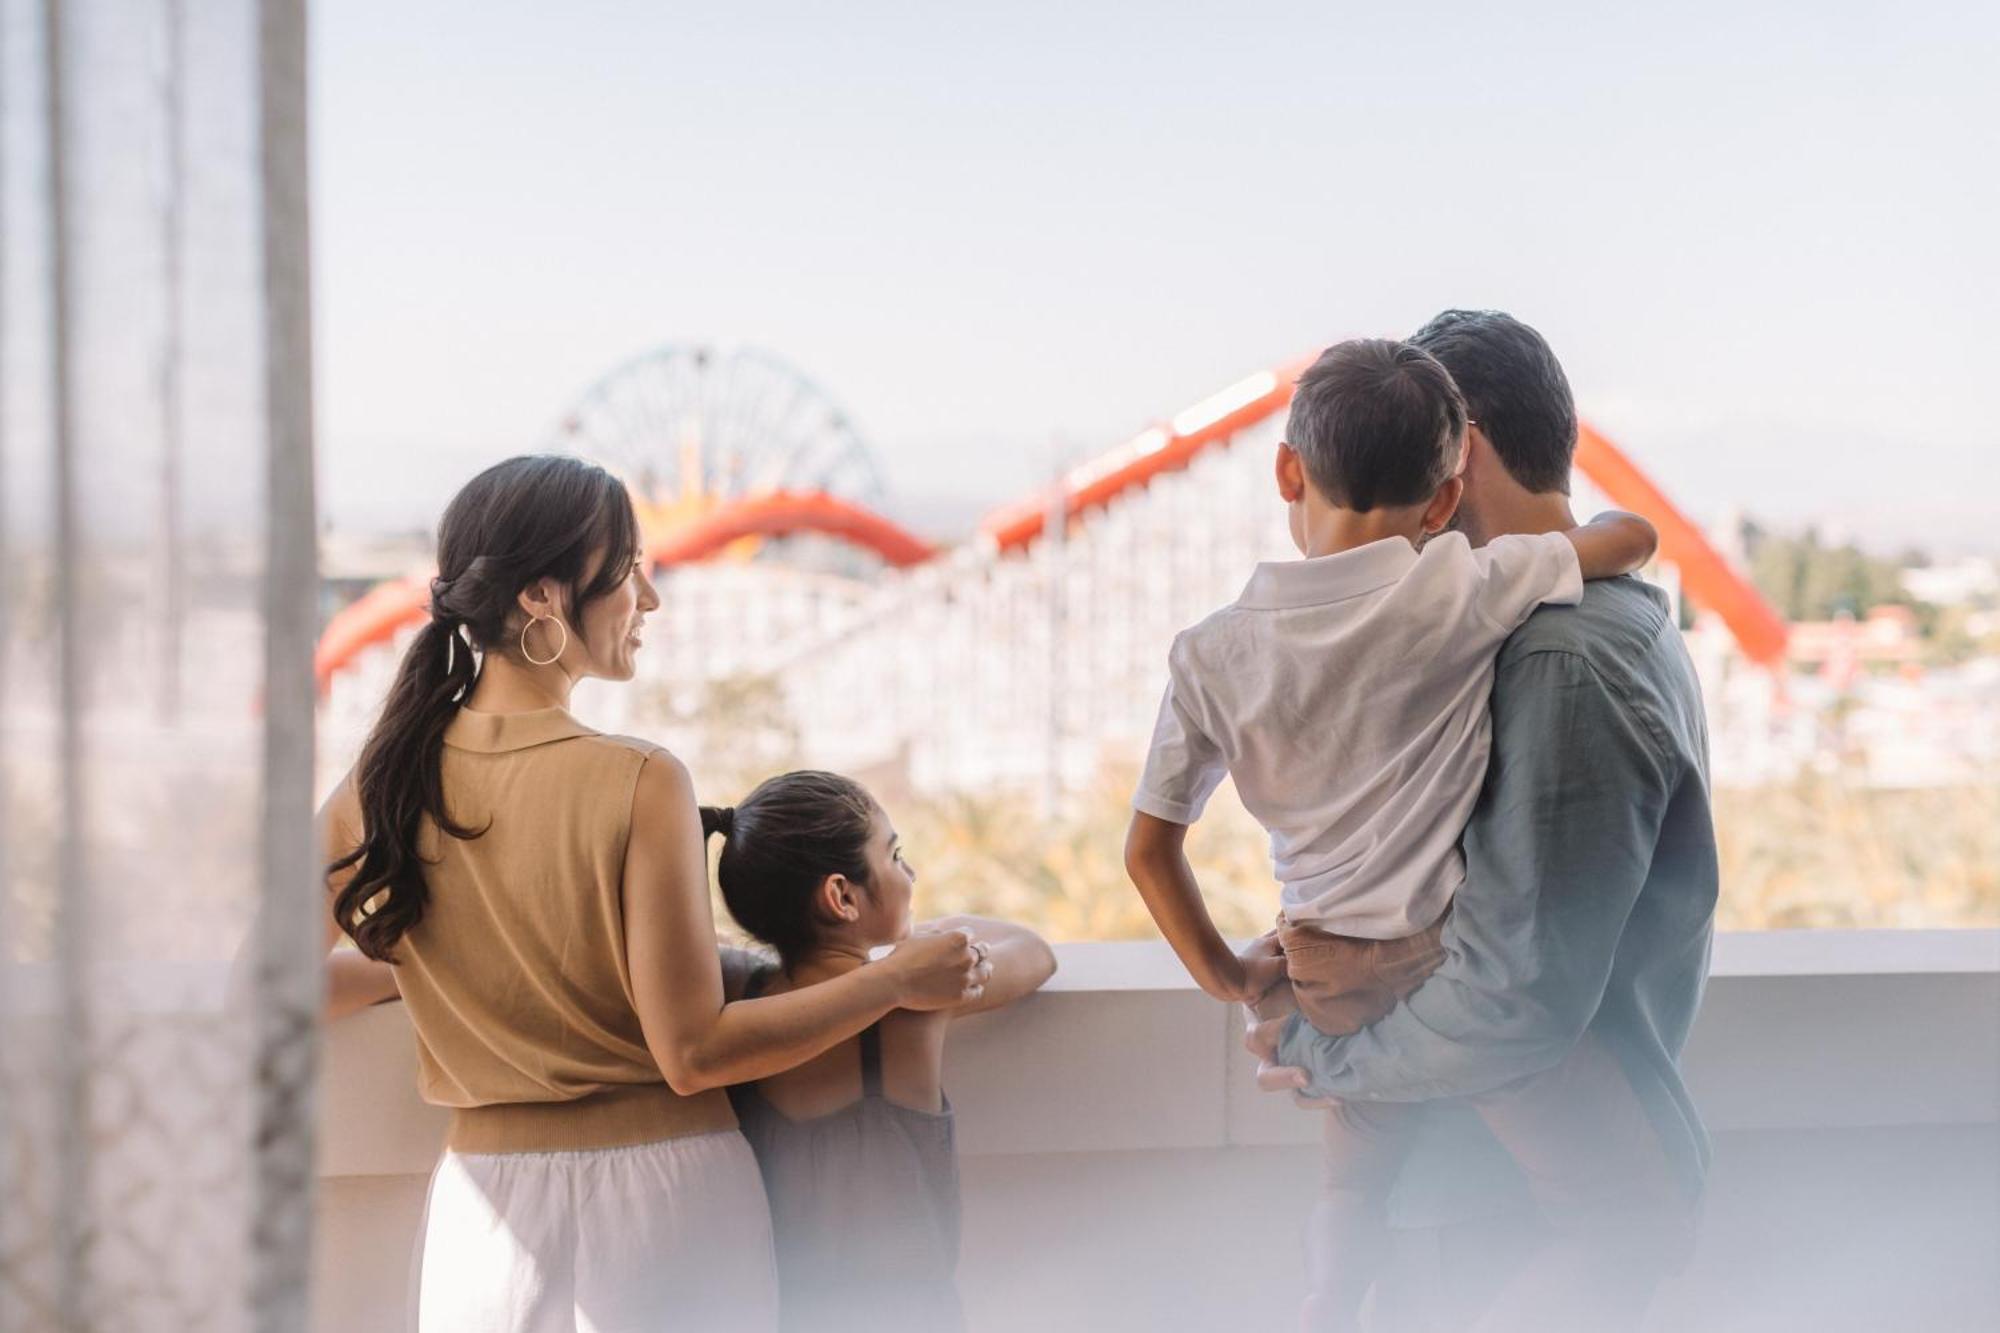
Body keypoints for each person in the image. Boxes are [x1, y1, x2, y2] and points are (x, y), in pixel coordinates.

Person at [317, 455, 990, 1332]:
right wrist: (894, 982)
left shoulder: (383, 779)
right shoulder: (636, 778)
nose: (652, 596)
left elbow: (258, 994)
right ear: (544, 597)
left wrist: (436, 963)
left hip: (482, 1222)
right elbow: (695, 1052)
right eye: (632, 569)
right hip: (666, 1210)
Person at [1122, 337, 1659, 1332]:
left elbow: (1148, 850)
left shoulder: (1207, 653)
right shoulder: (1449, 588)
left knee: (1348, 1190)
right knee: (1618, 1208)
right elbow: (1622, 544)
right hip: (1434, 958)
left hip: (1320, 969)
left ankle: (1328, 1296)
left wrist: (1232, 977)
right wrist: (1623, 528)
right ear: (1445, 498)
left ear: (1287, 469)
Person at [1246, 311, 1717, 1332]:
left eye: (1414, 461)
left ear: (1462, 450)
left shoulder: (1557, 652)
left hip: (1494, 1216)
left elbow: (1512, 995)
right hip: (1490, 1192)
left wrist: (1327, 1055)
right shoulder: (1585, 618)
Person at [706, 770, 1057, 1333]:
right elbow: (1034, 952)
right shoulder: (910, 1014)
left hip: (780, 1316)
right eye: (894, 856)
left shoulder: (736, 994)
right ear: (841, 896)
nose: (910, 872)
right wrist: (922, 950)